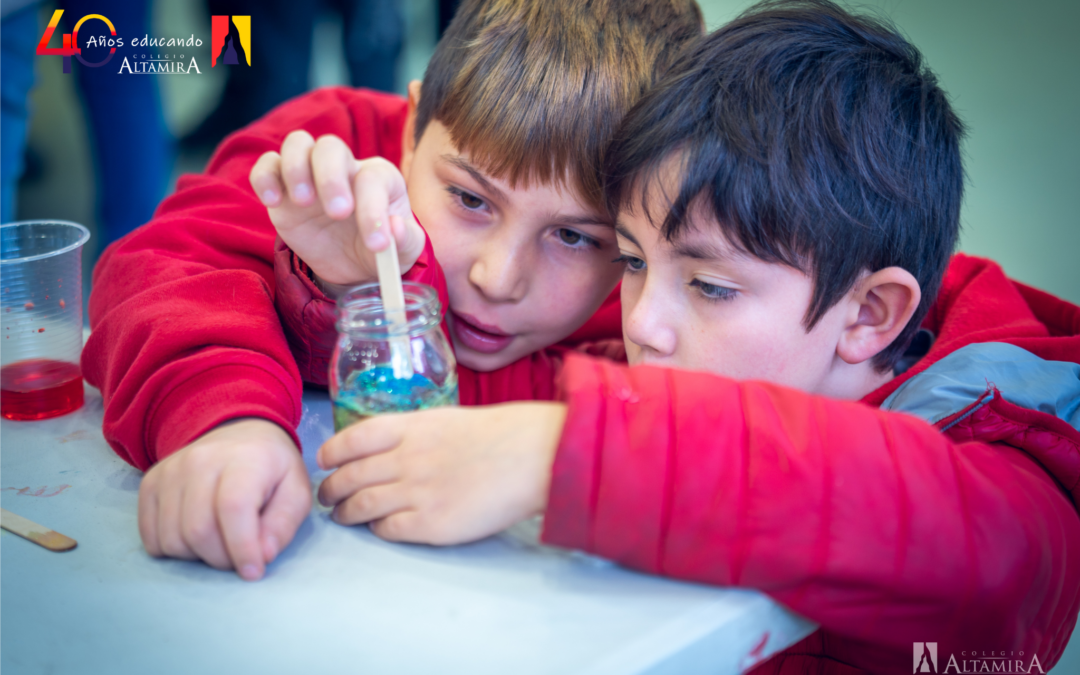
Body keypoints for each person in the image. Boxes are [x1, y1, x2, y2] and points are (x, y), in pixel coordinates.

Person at [312, 1, 1080, 672]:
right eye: (635, 262)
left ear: (871, 313)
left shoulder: (1009, 460)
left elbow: (991, 562)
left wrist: (561, 453)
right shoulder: (675, 360)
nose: (641, 321)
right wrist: (344, 287)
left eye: (710, 286)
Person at [82, 0, 703, 581]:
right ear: (412, 128)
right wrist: (226, 423)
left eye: (573, 237)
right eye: (469, 199)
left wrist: (367, 297)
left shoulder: (648, 283)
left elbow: (677, 420)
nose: (498, 277)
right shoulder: (325, 156)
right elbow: (163, 271)